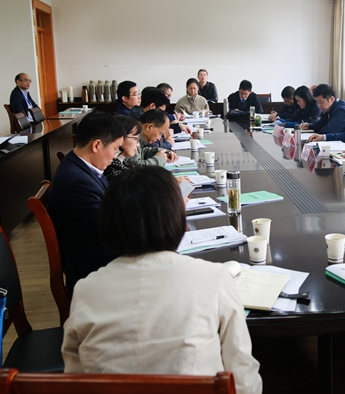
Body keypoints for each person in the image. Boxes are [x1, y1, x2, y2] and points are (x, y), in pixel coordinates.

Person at [62, 166, 262, 394]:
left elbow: (74, 375)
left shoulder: (86, 290)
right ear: (176, 218)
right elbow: (243, 375)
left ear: (108, 222)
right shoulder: (214, 279)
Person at [48, 111, 124, 296]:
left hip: (97, 252)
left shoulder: (80, 167)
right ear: (96, 145)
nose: (115, 156)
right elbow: (110, 231)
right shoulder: (77, 182)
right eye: (115, 149)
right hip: (94, 269)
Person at [104, 115, 140, 182]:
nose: (138, 145)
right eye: (135, 139)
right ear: (120, 137)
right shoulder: (112, 171)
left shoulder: (126, 160)